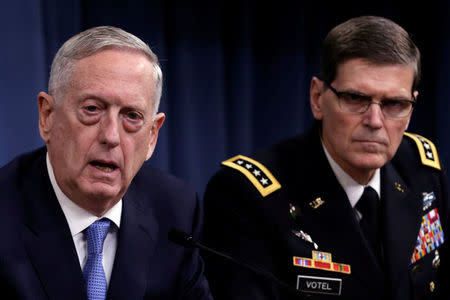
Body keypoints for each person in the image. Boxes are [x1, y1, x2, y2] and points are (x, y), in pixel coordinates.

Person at [202, 16, 449, 299]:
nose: (375, 120)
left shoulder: (421, 169)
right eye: (355, 99)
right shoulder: (248, 196)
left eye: (395, 104)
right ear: (317, 98)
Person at [0, 26, 213, 300]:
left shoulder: (175, 211)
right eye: (92, 109)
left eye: (132, 116)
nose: (111, 136)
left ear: (152, 135)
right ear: (48, 116)